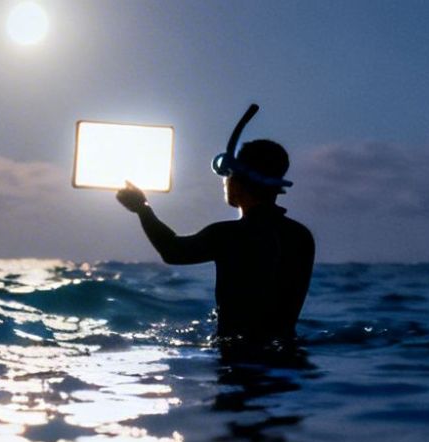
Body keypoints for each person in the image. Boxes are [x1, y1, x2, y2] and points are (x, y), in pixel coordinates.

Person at [115, 111, 314, 347]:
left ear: (237, 182)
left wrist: (142, 208)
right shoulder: (301, 236)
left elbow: (172, 251)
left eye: (227, 176)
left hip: (238, 359)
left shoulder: (228, 235)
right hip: (290, 358)